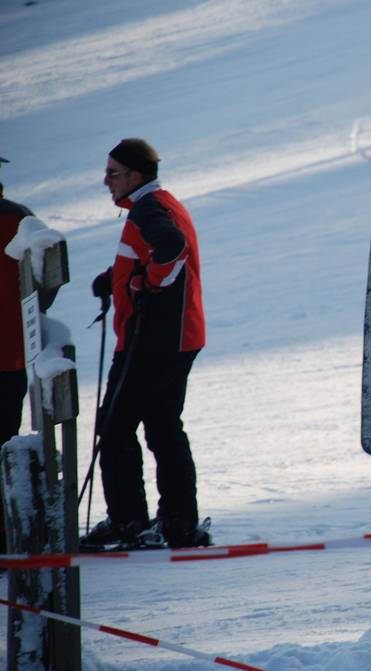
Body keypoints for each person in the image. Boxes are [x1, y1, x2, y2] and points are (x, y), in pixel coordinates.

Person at [81, 138, 208, 549]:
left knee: (115, 427)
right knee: (163, 427)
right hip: (177, 336)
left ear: (135, 176)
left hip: (151, 341)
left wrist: (146, 285)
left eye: (113, 173)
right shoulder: (160, 203)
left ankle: (129, 522)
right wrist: (116, 278)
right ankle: (178, 523)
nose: (106, 181)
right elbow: (154, 251)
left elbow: (171, 248)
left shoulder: (149, 209)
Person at [0, 168, 33, 554]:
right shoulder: (21, 218)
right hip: (13, 353)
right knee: (5, 439)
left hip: (10, 354)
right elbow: (45, 280)